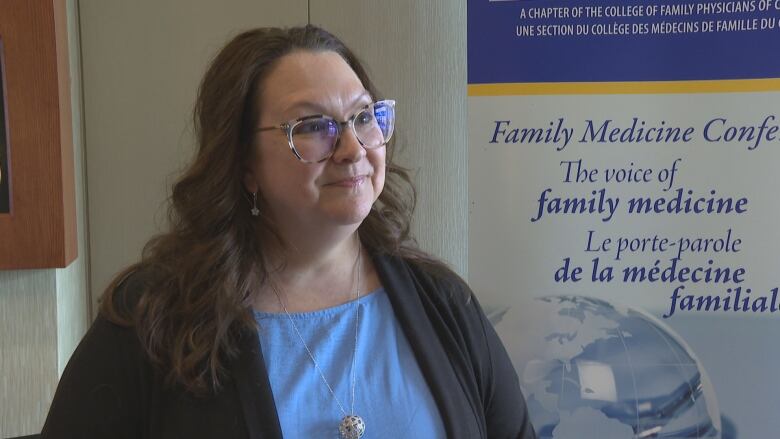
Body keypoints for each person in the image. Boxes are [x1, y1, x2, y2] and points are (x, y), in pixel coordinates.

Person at [41, 25, 536, 439]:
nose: (352, 148)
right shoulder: (153, 318)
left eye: (364, 117)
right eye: (313, 126)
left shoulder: (443, 304)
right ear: (243, 163)